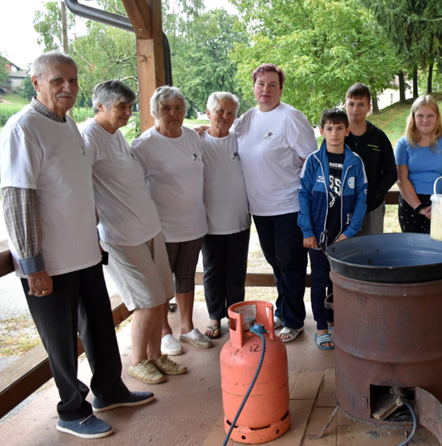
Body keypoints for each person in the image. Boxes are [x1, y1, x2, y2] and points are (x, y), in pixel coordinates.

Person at [0, 51, 152, 439]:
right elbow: (18, 200)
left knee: (100, 326)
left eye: (73, 80)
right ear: (36, 83)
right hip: (50, 261)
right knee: (62, 342)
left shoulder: (66, 125)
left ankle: (109, 390)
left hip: (84, 252)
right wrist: (33, 264)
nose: (67, 88)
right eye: (57, 81)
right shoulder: (23, 128)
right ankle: (71, 410)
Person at [82, 80, 186, 385]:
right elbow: (80, 187)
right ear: (100, 106)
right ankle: (138, 360)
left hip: (149, 229)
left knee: (162, 295)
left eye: (129, 107)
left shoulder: (115, 135)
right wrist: (90, 230)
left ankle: (156, 356)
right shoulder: (89, 138)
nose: (127, 113)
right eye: (120, 107)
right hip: (121, 236)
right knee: (147, 301)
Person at [234, 63, 318, 342]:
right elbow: (225, 142)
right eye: (260, 84)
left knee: (291, 263)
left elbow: (312, 159)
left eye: (272, 85)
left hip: (289, 205)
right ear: (254, 88)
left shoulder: (290, 117)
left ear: (281, 89)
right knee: (275, 261)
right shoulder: (246, 119)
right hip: (260, 207)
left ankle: (294, 320)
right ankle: (283, 308)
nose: (265, 90)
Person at [132, 86, 213, 356]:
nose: (173, 113)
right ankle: (165, 332)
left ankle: (187, 327)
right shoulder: (144, 145)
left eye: (178, 108)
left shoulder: (192, 137)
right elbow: (134, 186)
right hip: (162, 228)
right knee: (163, 282)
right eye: (166, 108)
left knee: (187, 277)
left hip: (194, 223)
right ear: (155, 111)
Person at [298, 108, 367, 349]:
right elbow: (303, 195)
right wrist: (307, 231)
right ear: (321, 131)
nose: (334, 133)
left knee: (339, 281)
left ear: (347, 130)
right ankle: (320, 326)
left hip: (344, 236)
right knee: (319, 279)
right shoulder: (314, 161)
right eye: (329, 128)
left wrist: (350, 232)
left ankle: (337, 321)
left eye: (339, 128)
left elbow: (361, 198)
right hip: (318, 235)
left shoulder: (355, 162)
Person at [199, 92, 251, 339]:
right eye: (220, 111)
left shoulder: (240, 139)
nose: (225, 116)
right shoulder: (196, 140)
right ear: (208, 113)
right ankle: (214, 317)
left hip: (239, 218)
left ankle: (235, 315)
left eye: (231, 112)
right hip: (209, 220)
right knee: (212, 270)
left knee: (236, 271)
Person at [395, 95, 442, 233]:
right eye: (420, 115)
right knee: (414, 251)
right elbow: (401, 179)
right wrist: (418, 207)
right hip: (412, 203)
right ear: (413, 117)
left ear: (437, 117)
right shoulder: (403, 144)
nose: (425, 120)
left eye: (430, 115)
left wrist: (440, 206)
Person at [344, 83, 397, 235]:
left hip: (371, 207)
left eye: (361, 104)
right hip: (342, 207)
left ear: (369, 107)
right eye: (352, 104)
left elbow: (391, 172)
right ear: (345, 105)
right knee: (344, 253)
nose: (355, 109)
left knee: (372, 253)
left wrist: (376, 194)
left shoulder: (378, 137)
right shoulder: (337, 135)